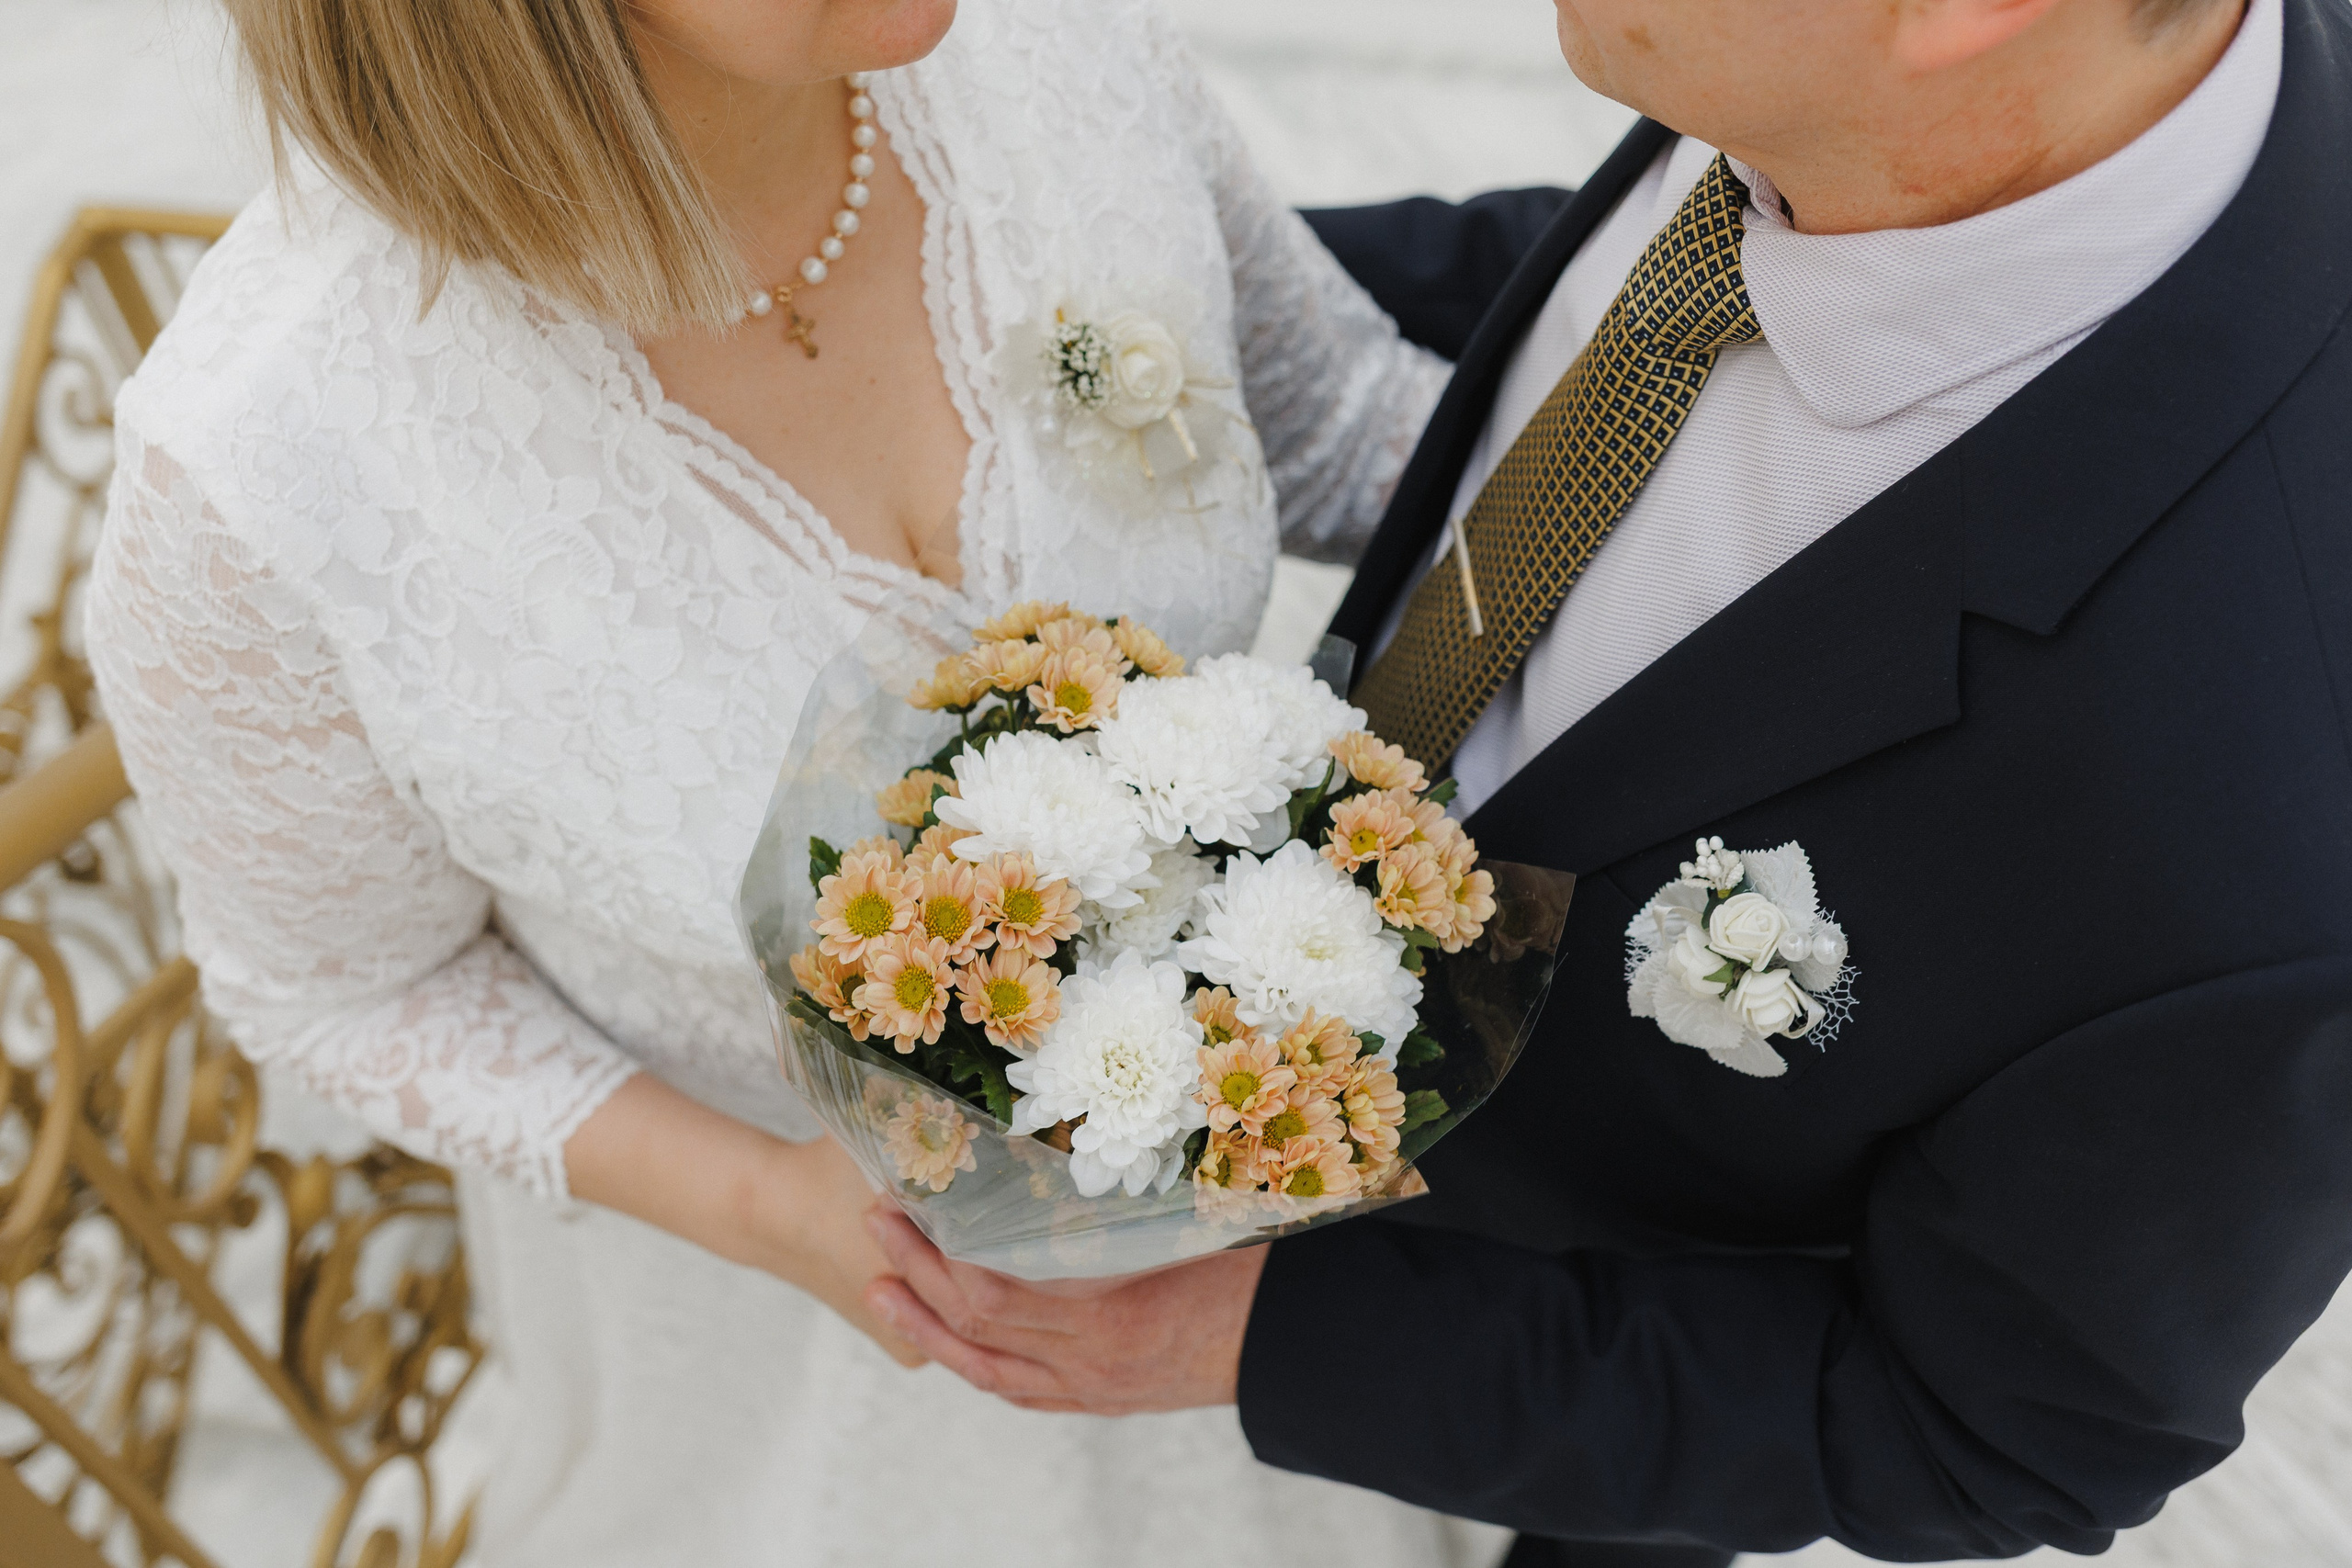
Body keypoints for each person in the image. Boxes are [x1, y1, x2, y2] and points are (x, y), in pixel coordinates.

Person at [859, 0, 2352, 1563]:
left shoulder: (2262, 830)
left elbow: (1986, 1430)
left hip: (1543, 1359)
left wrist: (1257, 1341)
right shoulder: (1890, 115)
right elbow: (1594, 291)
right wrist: (1087, 281)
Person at [84, 0, 1513, 1563]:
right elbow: (341, 994)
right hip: (777, 1341)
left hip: (1248, 1266)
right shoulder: (261, 466)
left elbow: (1337, 433)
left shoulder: (1062, 54)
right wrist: (775, 1207)